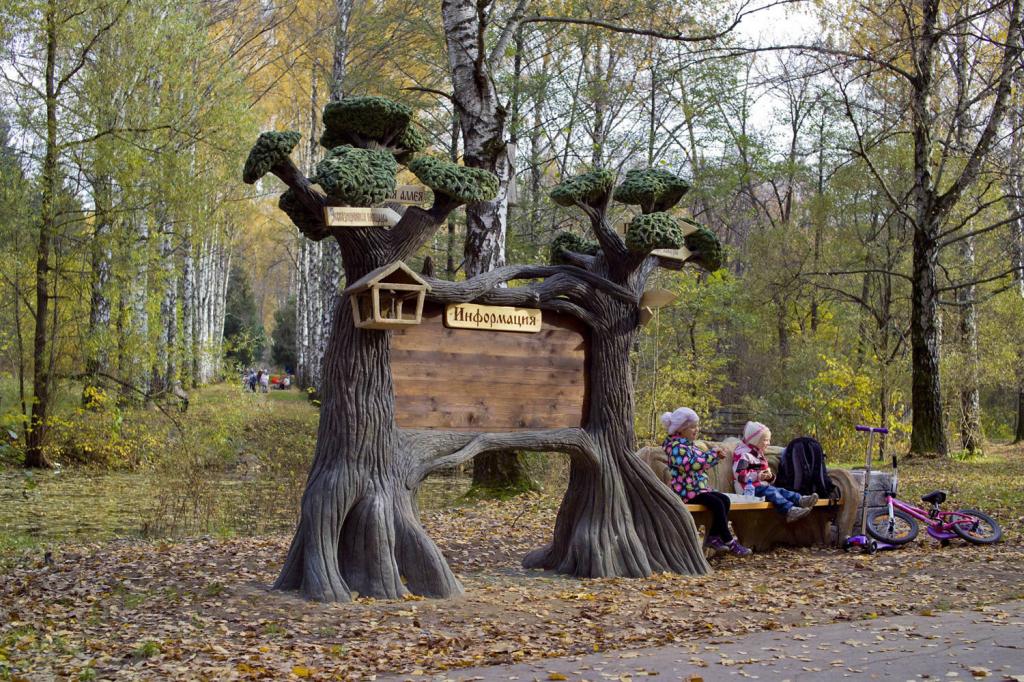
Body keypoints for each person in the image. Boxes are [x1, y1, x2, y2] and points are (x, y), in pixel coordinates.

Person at [661, 407, 751, 557]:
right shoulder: (675, 447)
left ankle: (714, 537)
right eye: (692, 427)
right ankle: (730, 541)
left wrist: (715, 454)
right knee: (716, 503)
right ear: (681, 429)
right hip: (685, 491)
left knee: (723, 500)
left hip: (696, 489)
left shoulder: (689, 445)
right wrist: (711, 455)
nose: (696, 430)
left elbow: (702, 461)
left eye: (697, 426)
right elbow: (691, 465)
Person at [732, 421, 818, 522]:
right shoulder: (744, 455)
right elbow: (740, 475)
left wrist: (770, 476)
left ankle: (800, 500)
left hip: (760, 488)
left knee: (780, 491)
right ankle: (790, 511)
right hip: (748, 491)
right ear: (755, 441)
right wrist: (759, 476)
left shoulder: (758, 455)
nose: (768, 443)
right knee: (772, 492)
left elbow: (764, 477)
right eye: (765, 440)